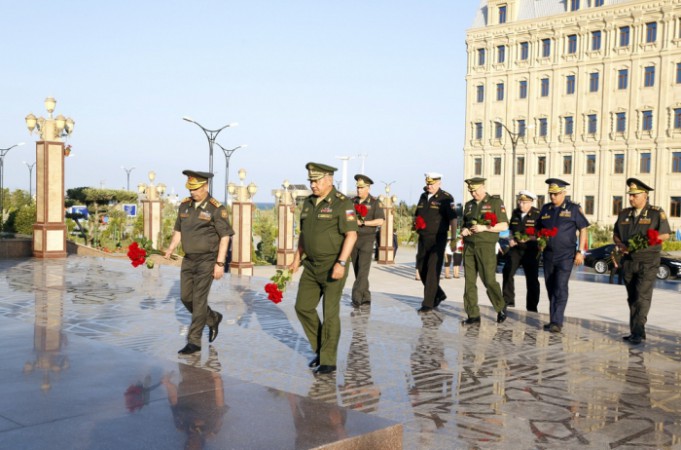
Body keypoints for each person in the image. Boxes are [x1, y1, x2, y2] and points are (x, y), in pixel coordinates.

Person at [290, 162, 358, 375]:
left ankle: (328, 361)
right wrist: (296, 257)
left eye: (316, 181)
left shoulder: (342, 203)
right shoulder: (309, 203)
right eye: (311, 181)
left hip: (333, 265)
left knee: (330, 313)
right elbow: (304, 234)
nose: (313, 185)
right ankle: (322, 349)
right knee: (302, 307)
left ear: (329, 180)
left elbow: (351, 235)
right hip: (310, 265)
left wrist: (341, 263)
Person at [165, 170, 233, 355]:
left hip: (207, 260)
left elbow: (225, 237)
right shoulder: (184, 206)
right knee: (186, 298)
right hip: (188, 259)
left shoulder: (216, 209)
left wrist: (220, 264)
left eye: (196, 189)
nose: (192, 192)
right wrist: (171, 248)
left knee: (199, 299)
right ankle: (212, 318)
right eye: (190, 188)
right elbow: (178, 230)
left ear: (205, 187)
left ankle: (194, 341)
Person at [613, 178, 671, 345]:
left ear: (645, 195)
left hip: (648, 261)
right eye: (630, 195)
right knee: (632, 297)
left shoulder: (655, 213)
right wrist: (620, 244)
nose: (631, 198)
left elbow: (665, 234)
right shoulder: (624, 213)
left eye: (635, 195)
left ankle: (637, 332)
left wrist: (646, 241)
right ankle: (637, 331)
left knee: (642, 297)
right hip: (628, 261)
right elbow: (615, 234)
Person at [536, 178, 589, 333]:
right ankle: (553, 319)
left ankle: (557, 322)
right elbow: (538, 229)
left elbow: (583, 229)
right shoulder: (545, 209)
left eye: (556, 194)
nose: (553, 197)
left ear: (564, 193)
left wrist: (581, 251)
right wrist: (540, 239)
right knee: (550, 287)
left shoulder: (573, 209)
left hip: (566, 255)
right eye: (551, 194)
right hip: (548, 255)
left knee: (560, 286)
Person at [460, 177, 509, 324]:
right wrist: (464, 230)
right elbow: (464, 224)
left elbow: (504, 225)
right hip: (469, 246)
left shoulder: (495, 202)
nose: (473, 194)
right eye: (471, 191)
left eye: (475, 191)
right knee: (469, 281)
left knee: (488, 279)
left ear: (482, 187)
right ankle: (473, 315)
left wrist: (485, 228)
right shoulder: (468, 205)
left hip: (485, 246)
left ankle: (500, 306)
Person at [414, 173, 458, 313]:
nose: (429, 186)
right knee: (421, 269)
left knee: (433, 270)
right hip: (423, 238)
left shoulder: (446, 198)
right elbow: (418, 214)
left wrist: (453, 238)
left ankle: (428, 303)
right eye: (428, 183)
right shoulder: (423, 196)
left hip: (438, 238)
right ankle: (438, 294)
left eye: (432, 184)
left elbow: (453, 219)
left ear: (439, 183)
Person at [502, 190, 541, 312]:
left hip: (531, 249)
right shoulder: (515, 213)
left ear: (530, 202)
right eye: (520, 202)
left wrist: (529, 238)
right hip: (516, 249)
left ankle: (532, 306)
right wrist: (510, 239)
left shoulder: (537, 214)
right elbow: (511, 230)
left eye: (524, 202)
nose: (521, 205)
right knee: (507, 271)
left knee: (532, 279)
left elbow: (541, 233)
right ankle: (508, 301)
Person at [350, 174, 385, 308]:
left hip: (367, 239)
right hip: (353, 239)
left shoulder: (375, 202)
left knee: (363, 270)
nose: (359, 190)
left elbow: (380, 220)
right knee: (358, 269)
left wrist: (364, 222)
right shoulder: (352, 202)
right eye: (358, 188)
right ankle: (366, 296)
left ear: (368, 188)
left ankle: (356, 297)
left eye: (362, 188)